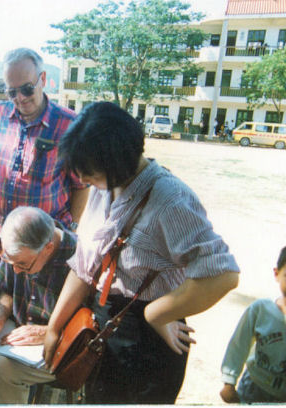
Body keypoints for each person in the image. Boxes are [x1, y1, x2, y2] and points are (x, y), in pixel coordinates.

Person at [42, 102, 240, 404]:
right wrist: (54, 328)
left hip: (148, 343)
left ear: (118, 161)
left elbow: (223, 274)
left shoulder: (170, 200)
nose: (82, 182)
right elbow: (84, 267)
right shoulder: (102, 188)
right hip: (105, 324)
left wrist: (158, 314)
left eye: (90, 173)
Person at [0, 47, 88, 318]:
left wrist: (69, 227)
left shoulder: (69, 124)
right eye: (11, 92)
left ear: (43, 79)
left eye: (26, 89)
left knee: (31, 331)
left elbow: (81, 187)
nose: (19, 98)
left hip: (40, 254)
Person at [0, 206, 77, 404]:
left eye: (23, 265)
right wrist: (0, 315)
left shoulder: (79, 256)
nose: (16, 270)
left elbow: (91, 321)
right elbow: (6, 288)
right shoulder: (19, 248)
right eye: (9, 261)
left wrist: (49, 331)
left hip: (60, 344)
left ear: (48, 248)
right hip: (19, 331)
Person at [219, 246, 286, 404]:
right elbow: (239, 344)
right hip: (254, 387)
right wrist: (229, 381)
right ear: (276, 274)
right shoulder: (261, 310)